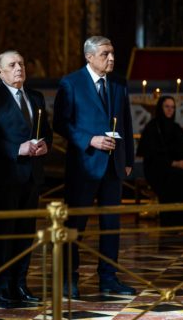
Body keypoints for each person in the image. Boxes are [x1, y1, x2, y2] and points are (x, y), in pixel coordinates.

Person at [53, 36, 135, 299]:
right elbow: (60, 123)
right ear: (89, 57)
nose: (111, 58)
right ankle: (69, 279)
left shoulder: (119, 82)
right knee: (75, 224)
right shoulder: (71, 83)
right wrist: (90, 139)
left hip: (113, 165)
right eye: (104, 54)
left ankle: (109, 278)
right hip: (84, 165)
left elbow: (126, 122)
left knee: (111, 225)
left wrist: (129, 159)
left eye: (112, 53)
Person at [0, 50, 52, 308]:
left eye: (21, 63)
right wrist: (15, 149)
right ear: (0, 73)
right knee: (4, 234)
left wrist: (45, 145)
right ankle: (3, 287)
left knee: (25, 233)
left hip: (32, 176)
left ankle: (20, 284)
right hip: (5, 176)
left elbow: (46, 131)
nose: (19, 68)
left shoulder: (35, 97)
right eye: (12, 65)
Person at [137, 96, 183, 226]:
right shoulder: (152, 128)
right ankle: (177, 223)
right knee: (177, 179)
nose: (170, 110)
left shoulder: (176, 127)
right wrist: (172, 163)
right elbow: (151, 154)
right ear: (160, 108)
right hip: (157, 169)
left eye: (173, 107)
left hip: (177, 166)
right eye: (167, 107)